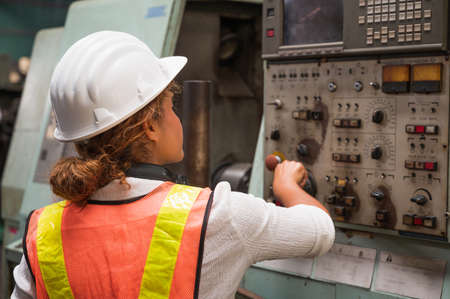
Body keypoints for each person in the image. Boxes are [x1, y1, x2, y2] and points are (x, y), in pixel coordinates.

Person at [12, 31, 334, 299]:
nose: (177, 118)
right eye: (171, 106)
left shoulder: (44, 232)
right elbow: (320, 230)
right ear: (150, 127)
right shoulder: (219, 217)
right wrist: (287, 186)